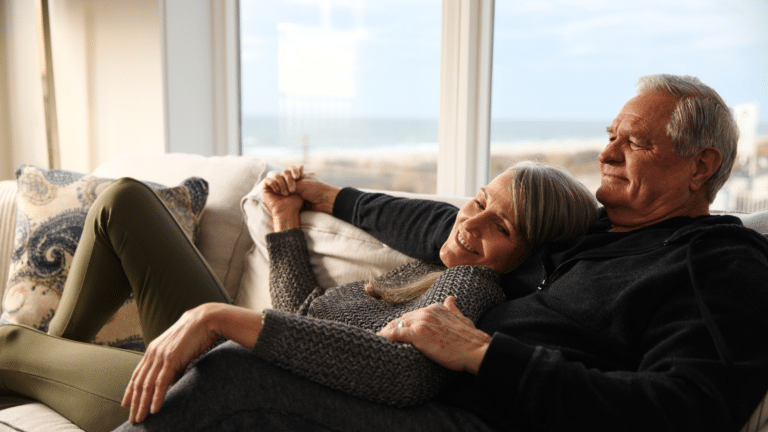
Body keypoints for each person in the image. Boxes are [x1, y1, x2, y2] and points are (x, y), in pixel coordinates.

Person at [117, 73, 768, 432]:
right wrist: (328, 196)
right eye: (609, 136)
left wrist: (486, 353)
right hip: (436, 400)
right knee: (221, 368)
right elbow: (449, 225)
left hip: (485, 420)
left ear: (701, 165)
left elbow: (688, 412)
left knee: (231, 374)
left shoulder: (718, 263)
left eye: (636, 143)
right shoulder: (585, 233)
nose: (607, 153)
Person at [0, 161, 598, 431]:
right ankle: (52, 363)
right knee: (124, 200)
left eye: (504, 228)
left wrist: (220, 318)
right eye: (479, 201)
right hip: (216, 353)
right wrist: (286, 221)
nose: (472, 224)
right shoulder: (428, 266)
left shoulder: (472, 287)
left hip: (207, 389)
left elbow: (402, 376)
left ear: (527, 255)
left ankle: (42, 365)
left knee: (6, 342)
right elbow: (301, 314)